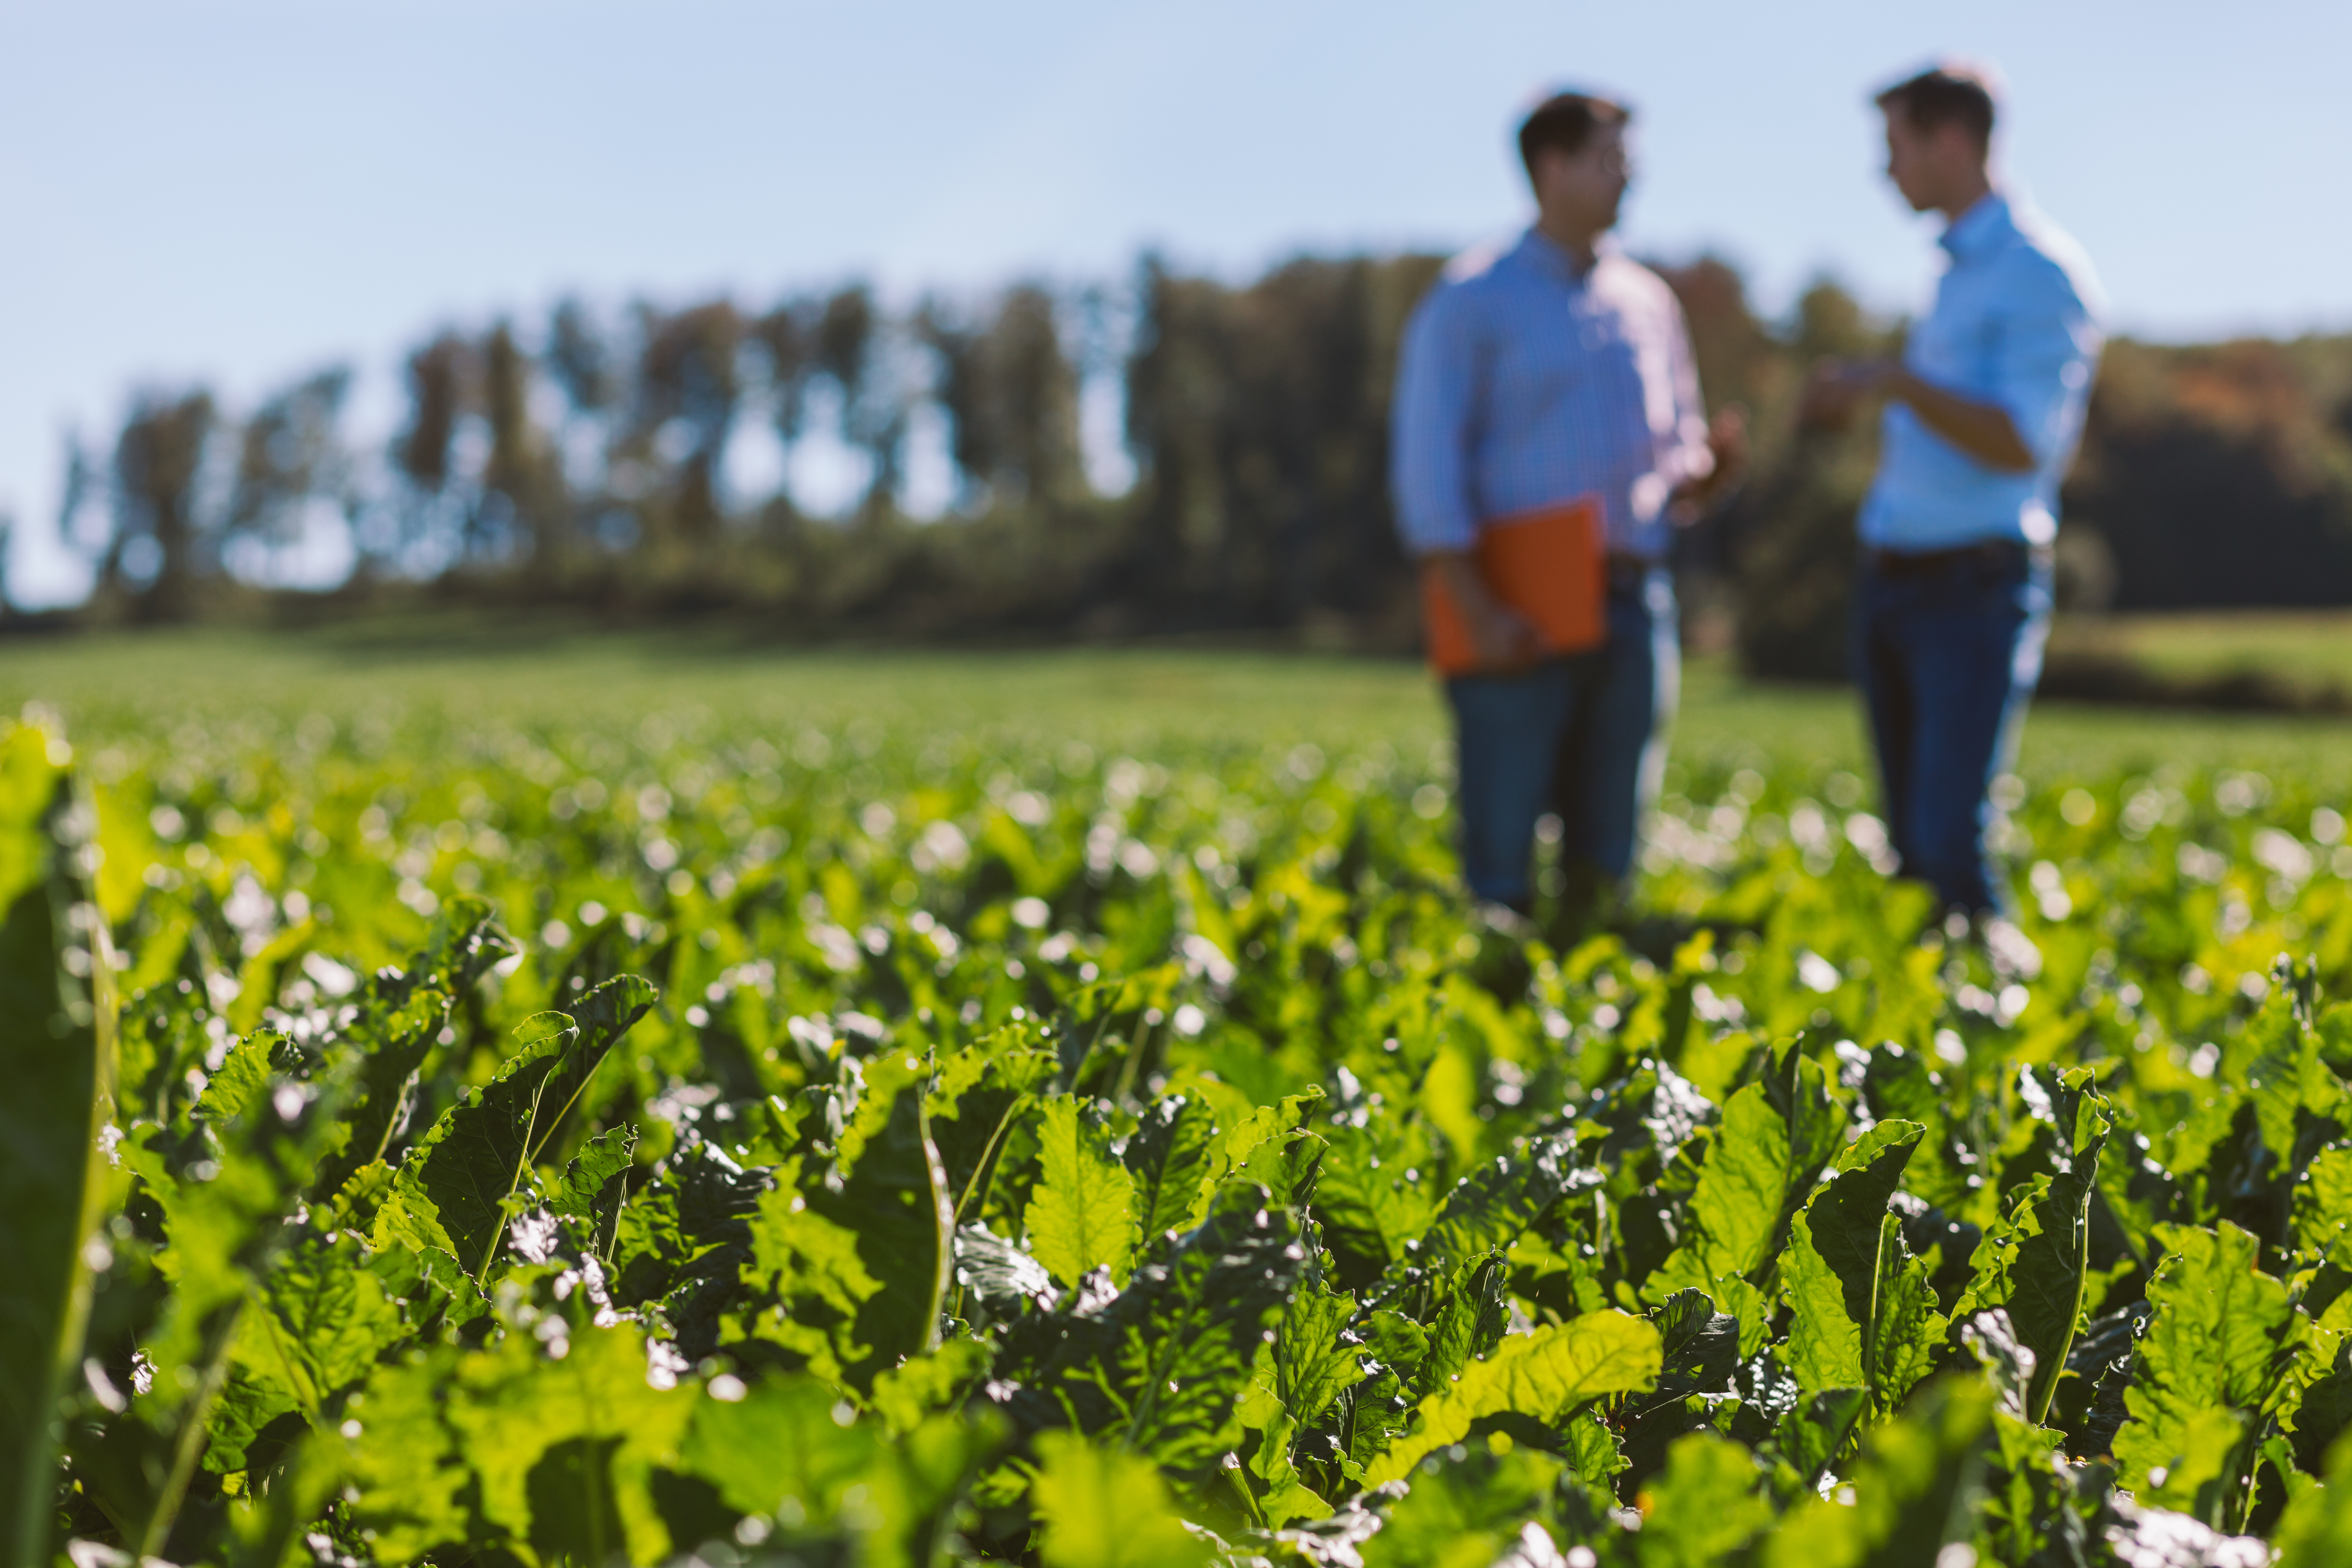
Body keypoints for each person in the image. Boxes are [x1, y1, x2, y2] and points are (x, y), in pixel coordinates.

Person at [1391, 90, 1744, 922]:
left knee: (1608, 852)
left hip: (1633, 600)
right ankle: (1502, 1019)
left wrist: (1707, 474)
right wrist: (1472, 607)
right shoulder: (1473, 299)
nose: (1631, 176)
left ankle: (1591, 1016)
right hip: (1518, 599)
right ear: (1552, 169)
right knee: (1502, 857)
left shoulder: (1649, 302)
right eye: (1610, 159)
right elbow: (1428, 466)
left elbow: (1672, 456)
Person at [1803, 63, 2103, 925]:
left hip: (1971, 583)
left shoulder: (2038, 270)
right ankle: (1926, 1034)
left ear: (1950, 141)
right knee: (1910, 843)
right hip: (1897, 576)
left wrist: (1895, 381)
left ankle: (1991, 1023)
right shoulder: (1958, 270)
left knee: (1947, 838)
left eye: (1894, 146)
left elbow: (2023, 444)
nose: (1885, 169)